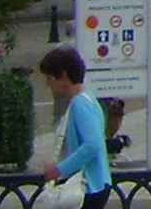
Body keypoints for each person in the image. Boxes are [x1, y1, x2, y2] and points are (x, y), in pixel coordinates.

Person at [37, 46, 112, 209]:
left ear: (63, 76)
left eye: (50, 78)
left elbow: (92, 145)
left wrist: (59, 169)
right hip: (98, 182)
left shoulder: (79, 103)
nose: (48, 84)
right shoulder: (89, 99)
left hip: (88, 186)